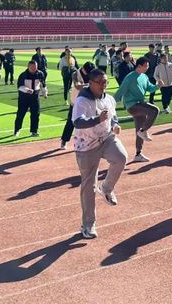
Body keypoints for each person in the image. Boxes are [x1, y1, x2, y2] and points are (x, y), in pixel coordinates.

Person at [72, 69, 127, 239]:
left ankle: (106, 188)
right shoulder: (82, 100)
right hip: (86, 145)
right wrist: (97, 119)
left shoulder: (109, 98)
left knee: (121, 158)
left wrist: (115, 125)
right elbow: (77, 122)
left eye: (105, 82)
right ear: (91, 83)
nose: (103, 85)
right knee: (89, 185)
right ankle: (88, 224)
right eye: (100, 82)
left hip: (106, 138)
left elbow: (113, 116)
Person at [114, 58, 159, 163]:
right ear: (139, 66)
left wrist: (158, 86)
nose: (147, 68)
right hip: (132, 106)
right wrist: (111, 103)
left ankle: (138, 154)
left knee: (139, 130)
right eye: (146, 66)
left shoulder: (144, 76)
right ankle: (144, 131)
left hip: (140, 105)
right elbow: (121, 91)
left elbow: (149, 88)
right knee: (154, 110)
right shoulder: (130, 77)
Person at [61, 61, 96, 149]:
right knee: (71, 121)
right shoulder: (76, 74)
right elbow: (78, 86)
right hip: (76, 101)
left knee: (89, 121)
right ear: (84, 69)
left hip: (88, 100)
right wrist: (90, 85)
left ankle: (88, 141)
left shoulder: (92, 73)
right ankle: (64, 141)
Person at [15, 60, 47, 137]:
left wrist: (44, 93)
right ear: (28, 67)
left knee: (36, 114)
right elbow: (19, 86)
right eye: (32, 67)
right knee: (21, 114)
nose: (34, 69)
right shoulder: (23, 75)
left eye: (35, 67)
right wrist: (27, 90)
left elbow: (43, 84)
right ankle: (17, 129)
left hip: (35, 96)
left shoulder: (40, 74)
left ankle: (34, 131)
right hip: (24, 97)